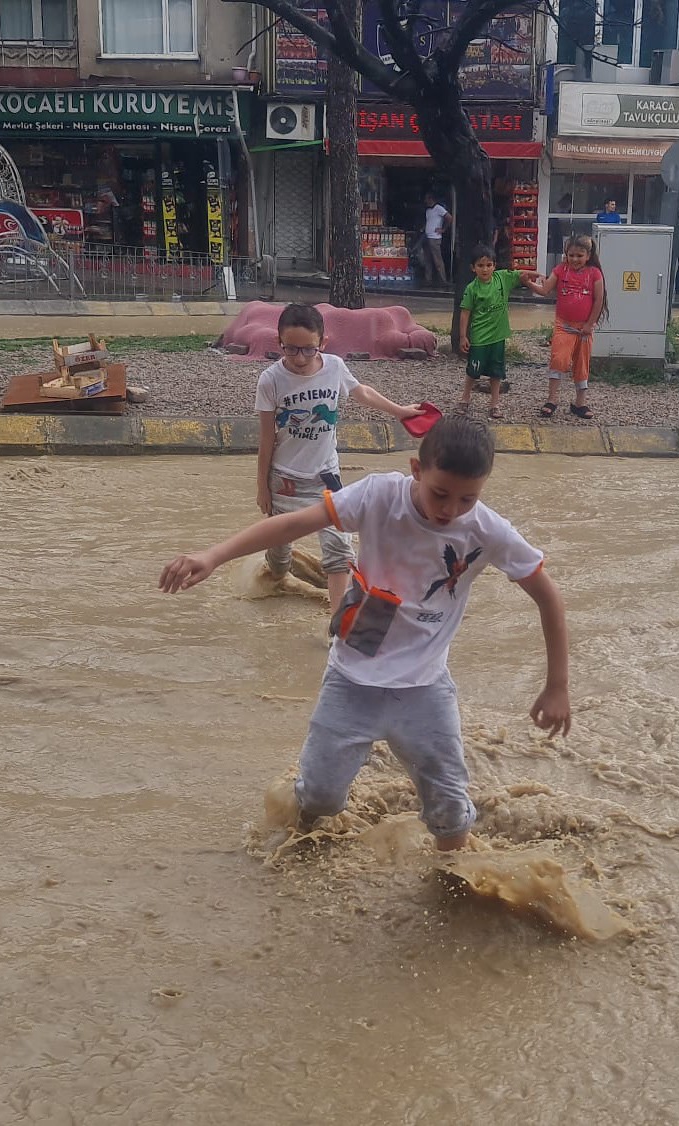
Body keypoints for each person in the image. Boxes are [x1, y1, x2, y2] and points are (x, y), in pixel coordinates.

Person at [160, 417, 573, 852]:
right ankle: (297, 830)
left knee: (450, 813)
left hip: (424, 689)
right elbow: (293, 525)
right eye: (440, 493)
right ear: (416, 470)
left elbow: (548, 597)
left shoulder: (488, 530)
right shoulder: (379, 495)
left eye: (468, 498)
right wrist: (214, 555)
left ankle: (452, 883)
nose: (451, 509)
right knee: (321, 797)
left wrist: (557, 685)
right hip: (351, 679)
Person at [255, 303, 423, 608]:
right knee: (279, 557)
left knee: (338, 547)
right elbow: (266, 439)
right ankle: (277, 570)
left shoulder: (334, 367)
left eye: (308, 349)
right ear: (279, 343)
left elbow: (362, 393)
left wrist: (399, 411)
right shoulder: (271, 380)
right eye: (290, 350)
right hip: (285, 481)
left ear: (323, 343)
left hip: (325, 476)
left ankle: (338, 622)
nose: (299, 358)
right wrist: (262, 487)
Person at [523, 234, 606, 420]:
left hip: (584, 328)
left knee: (582, 365)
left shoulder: (595, 273)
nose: (575, 259)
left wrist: (589, 324)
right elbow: (545, 290)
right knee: (558, 360)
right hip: (564, 326)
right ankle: (552, 399)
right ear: (566, 255)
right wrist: (528, 283)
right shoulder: (560, 270)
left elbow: (598, 300)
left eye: (579, 255)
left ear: (588, 255)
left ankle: (580, 403)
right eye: (571, 255)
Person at [458, 245, 529, 418]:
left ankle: (495, 404)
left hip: (498, 337)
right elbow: (465, 313)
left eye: (489, 265)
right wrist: (463, 336)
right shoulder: (471, 289)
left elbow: (521, 275)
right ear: (473, 268)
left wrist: (538, 278)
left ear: (494, 266)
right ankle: (465, 399)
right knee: (473, 371)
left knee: (496, 372)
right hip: (480, 338)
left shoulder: (501, 279)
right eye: (480, 266)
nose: (485, 269)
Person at [422, 192, 451, 285]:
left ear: (431, 199)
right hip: (427, 237)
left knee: (437, 259)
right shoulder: (428, 210)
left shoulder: (438, 208)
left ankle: (443, 280)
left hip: (435, 237)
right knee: (427, 259)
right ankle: (428, 279)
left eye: (426, 198)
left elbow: (449, 217)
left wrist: (443, 229)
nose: (425, 201)